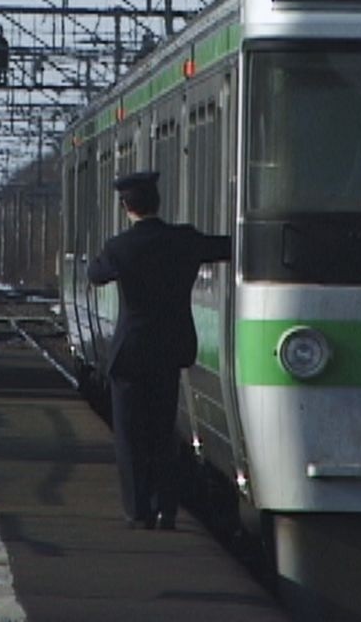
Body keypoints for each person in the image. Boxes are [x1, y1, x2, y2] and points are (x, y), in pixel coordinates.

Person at [86, 171, 232, 530]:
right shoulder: (184, 240)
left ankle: (139, 511)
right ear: (158, 202)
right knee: (164, 431)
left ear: (126, 207)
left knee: (130, 436)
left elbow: (95, 274)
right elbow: (227, 247)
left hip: (130, 353)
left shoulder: (120, 247)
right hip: (170, 350)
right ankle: (166, 508)